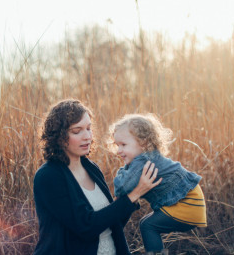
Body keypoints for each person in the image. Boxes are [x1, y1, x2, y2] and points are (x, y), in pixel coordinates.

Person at [33, 99, 162, 255]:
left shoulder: (91, 168)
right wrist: (134, 194)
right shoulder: (48, 176)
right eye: (77, 131)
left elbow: (112, 224)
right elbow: (86, 227)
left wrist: (134, 192)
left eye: (89, 128)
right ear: (58, 136)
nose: (87, 136)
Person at [110, 113, 207, 255]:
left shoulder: (142, 161)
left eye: (123, 145)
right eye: (117, 145)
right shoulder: (149, 157)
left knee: (149, 226)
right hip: (192, 201)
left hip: (186, 204)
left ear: (143, 143)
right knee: (146, 224)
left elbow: (122, 187)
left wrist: (122, 171)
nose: (119, 150)